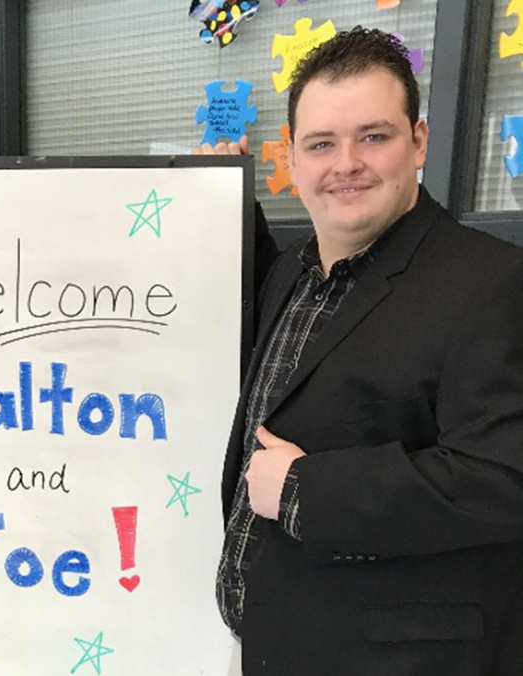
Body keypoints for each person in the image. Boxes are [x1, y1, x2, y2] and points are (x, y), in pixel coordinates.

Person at [203, 27, 523, 675]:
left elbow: (501, 481)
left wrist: (304, 491)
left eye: (373, 137)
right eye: (321, 143)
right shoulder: (293, 273)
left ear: (419, 141)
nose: (345, 163)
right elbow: (332, 360)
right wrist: (218, 193)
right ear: (291, 156)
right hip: (277, 644)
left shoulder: (494, 283)